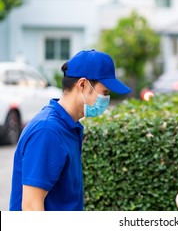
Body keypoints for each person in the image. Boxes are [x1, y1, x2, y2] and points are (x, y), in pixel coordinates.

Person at [9, 49, 131, 211]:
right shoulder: (48, 131)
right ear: (82, 84)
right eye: (105, 92)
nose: (106, 100)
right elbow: (31, 207)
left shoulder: (68, 127)